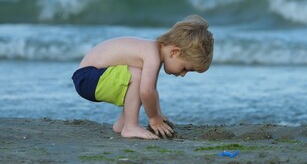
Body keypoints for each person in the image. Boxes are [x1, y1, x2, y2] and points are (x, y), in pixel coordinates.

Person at [72, 15, 214, 139]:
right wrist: (154, 118)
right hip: (87, 78)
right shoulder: (151, 54)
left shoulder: (153, 52)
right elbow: (146, 92)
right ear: (174, 52)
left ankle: (122, 124)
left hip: (91, 77)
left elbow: (152, 91)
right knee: (138, 78)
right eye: (185, 69)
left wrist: (159, 114)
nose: (182, 74)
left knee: (141, 80)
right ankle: (130, 127)